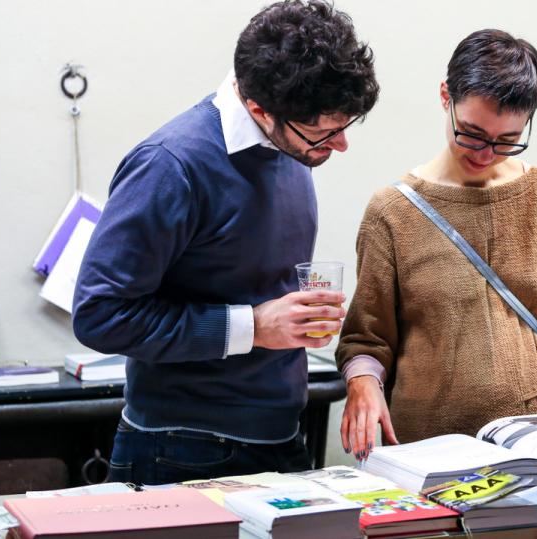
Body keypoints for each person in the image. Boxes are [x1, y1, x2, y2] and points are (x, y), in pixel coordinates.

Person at [72, 0, 378, 485]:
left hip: (279, 435)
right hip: (179, 446)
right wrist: (254, 326)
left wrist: (291, 317)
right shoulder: (170, 165)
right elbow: (99, 314)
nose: (340, 145)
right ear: (259, 108)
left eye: (344, 126)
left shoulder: (290, 145)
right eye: (324, 132)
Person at [336, 29, 537, 461]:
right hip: (430, 448)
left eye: (507, 139)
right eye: (471, 134)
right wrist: (362, 384)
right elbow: (367, 337)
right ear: (444, 97)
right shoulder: (392, 211)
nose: (486, 153)